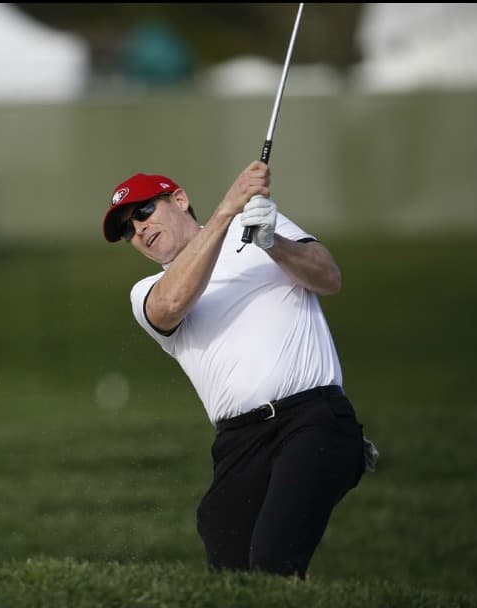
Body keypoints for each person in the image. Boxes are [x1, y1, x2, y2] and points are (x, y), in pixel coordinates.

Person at [101, 162, 378, 579]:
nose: (138, 229)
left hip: (312, 419)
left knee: (273, 560)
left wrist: (273, 243)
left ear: (179, 200)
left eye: (143, 212)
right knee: (233, 575)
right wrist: (226, 211)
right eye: (127, 230)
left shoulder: (260, 228)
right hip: (239, 442)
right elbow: (171, 305)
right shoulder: (147, 292)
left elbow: (329, 278)